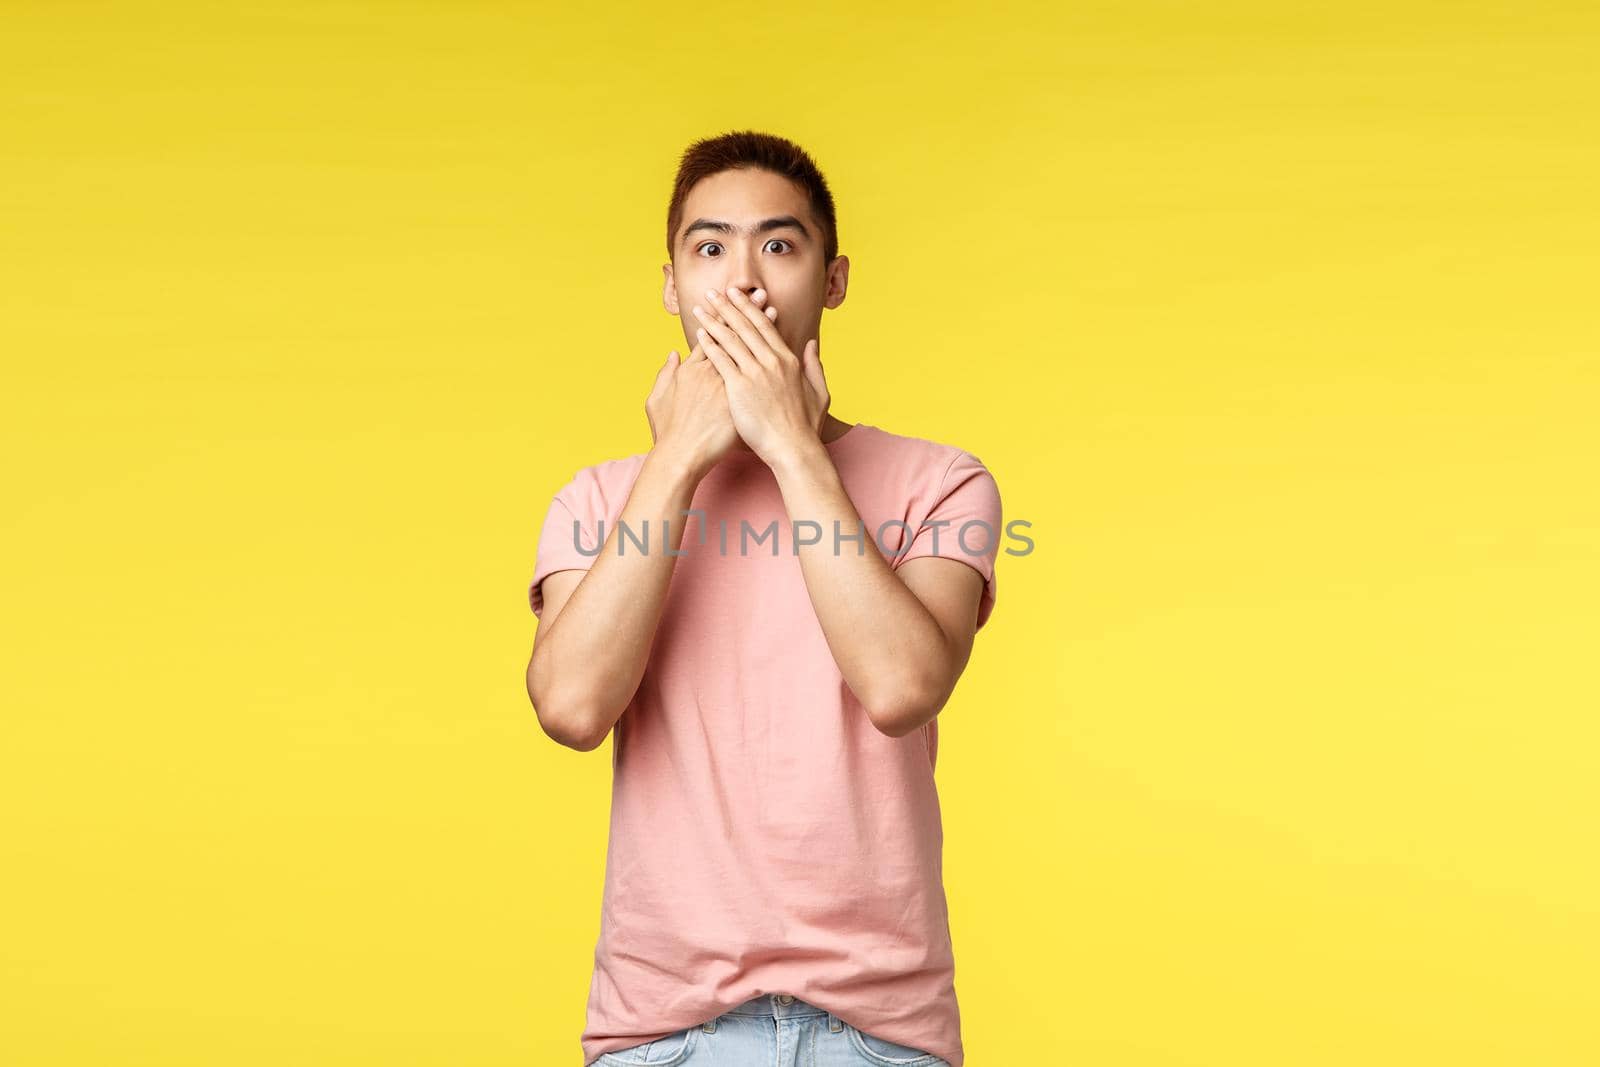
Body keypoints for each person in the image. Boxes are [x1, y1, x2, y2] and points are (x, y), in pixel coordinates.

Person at [524, 130, 1002, 1067]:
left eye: (779, 246)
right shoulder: (595, 499)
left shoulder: (941, 482)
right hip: (663, 1035)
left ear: (834, 279)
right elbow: (573, 708)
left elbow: (903, 687)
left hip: (880, 1036)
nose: (742, 283)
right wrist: (674, 463)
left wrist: (792, 446)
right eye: (710, 249)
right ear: (670, 283)